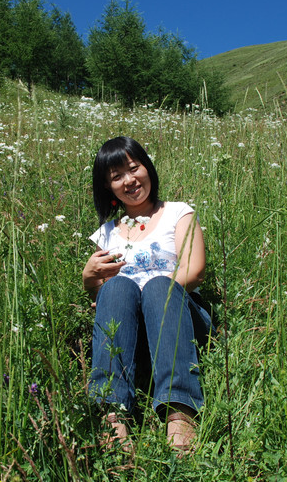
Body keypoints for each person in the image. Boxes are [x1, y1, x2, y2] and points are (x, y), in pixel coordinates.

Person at [82, 136, 214, 452]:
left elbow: (194, 271)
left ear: (147, 167)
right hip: (132, 331)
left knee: (158, 286)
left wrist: (151, 292)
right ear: (108, 187)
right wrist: (90, 280)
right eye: (117, 177)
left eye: (133, 168)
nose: (129, 180)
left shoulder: (177, 212)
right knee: (117, 287)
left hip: (178, 318)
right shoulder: (107, 233)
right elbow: (104, 300)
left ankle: (180, 413)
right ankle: (112, 415)